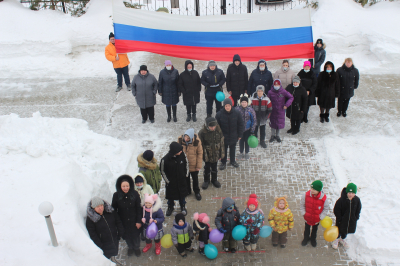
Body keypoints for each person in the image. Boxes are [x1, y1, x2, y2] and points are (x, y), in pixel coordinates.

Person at [86, 197, 124, 265]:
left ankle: (113, 259)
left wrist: (120, 232)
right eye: (98, 206)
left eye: (101, 205)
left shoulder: (110, 212)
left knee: (115, 251)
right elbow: (92, 234)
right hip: (104, 243)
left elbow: (118, 221)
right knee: (107, 256)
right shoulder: (91, 220)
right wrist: (100, 244)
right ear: (93, 208)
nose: (101, 208)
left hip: (114, 238)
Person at [111, 175, 142, 257]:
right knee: (127, 237)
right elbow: (114, 210)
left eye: (127, 186)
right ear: (120, 186)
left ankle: (136, 247)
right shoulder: (116, 196)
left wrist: (139, 221)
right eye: (123, 186)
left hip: (134, 221)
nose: (125, 188)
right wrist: (118, 223)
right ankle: (130, 247)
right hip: (123, 222)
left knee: (135, 236)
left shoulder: (135, 194)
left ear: (130, 186)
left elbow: (139, 208)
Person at [160, 142, 189, 216]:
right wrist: (168, 181)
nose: (181, 152)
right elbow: (162, 171)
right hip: (171, 184)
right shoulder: (165, 160)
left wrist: (186, 175)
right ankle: (170, 207)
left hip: (181, 181)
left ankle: (182, 206)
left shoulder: (183, 155)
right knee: (170, 197)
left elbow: (187, 165)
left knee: (182, 196)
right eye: (179, 151)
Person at [216, 98, 244, 169]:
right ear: (224, 106)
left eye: (229, 105)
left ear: (231, 106)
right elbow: (217, 127)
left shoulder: (237, 113)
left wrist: (240, 134)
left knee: (233, 149)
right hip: (223, 136)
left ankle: (232, 161)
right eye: (226, 106)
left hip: (233, 135)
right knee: (223, 150)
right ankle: (223, 162)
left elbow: (241, 124)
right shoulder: (219, 114)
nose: (227, 107)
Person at [332, 183, 362, 249]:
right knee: (339, 230)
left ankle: (342, 239)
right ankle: (336, 239)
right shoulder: (341, 200)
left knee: (346, 231)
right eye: (349, 193)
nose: (351, 195)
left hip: (351, 220)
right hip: (342, 221)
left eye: (352, 193)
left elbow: (358, 209)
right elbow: (336, 210)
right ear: (347, 192)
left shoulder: (357, 200)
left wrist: (356, 217)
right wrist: (340, 218)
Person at [300, 180, 329, 247]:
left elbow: (326, 208)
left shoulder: (323, 198)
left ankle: (313, 239)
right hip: (307, 217)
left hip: (316, 219)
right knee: (307, 229)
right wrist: (304, 213)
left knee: (314, 230)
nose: (312, 190)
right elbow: (302, 204)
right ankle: (306, 238)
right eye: (312, 188)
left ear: (319, 190)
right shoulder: (306, 195)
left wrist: (321, 217)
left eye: (314, 189)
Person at [198, 117, 224, 189]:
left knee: (214, 168)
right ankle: (206, 180)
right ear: (207, 126)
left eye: (214, 126)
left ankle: (214, 180)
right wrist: (202, 155)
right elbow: (199, 145)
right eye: (211, 126)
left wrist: (221, 153)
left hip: (216, 153)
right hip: (207, 154)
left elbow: (221, 142)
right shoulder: (202, 133)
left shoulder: (218, 130)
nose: (213, 128)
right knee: (207, 168)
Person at [177, 128, 203, 201]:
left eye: (188, 138)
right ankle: (188, 191)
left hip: (193, 165)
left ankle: (197, 192)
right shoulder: (180, 140)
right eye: (185, 137)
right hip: (184, 166)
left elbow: (200, 153)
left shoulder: (197, 141)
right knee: (186, 179)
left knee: (195, 179)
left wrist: (198, 166)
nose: (186, 139)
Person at [235, 94, 257, 160]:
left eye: (245, 102)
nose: (244, 103)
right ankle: (241, 152)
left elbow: (254, 120)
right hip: (240, 129)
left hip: (248, 129)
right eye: (242, 102)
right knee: (241, 141)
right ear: (240, 102)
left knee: (247, 141)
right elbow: (235, 119)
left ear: (247, 103)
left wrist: (252, 130)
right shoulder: (237, 109)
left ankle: (247, 152)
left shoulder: (251, 110)